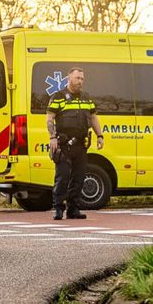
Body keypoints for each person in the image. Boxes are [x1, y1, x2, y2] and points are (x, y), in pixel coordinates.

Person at [46, 67, 104, 220]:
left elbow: (93, 118)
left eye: (82, 79)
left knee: (79, 177)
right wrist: (52, 137)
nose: (80, 82)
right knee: (62, 177)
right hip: (64, 144)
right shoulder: (58, 97)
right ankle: (58, 208)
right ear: (69, 79)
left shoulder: (86, 98)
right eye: (77, 78)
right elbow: (50, 118)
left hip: (81, 144)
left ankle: (73, 209)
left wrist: (100, 136)